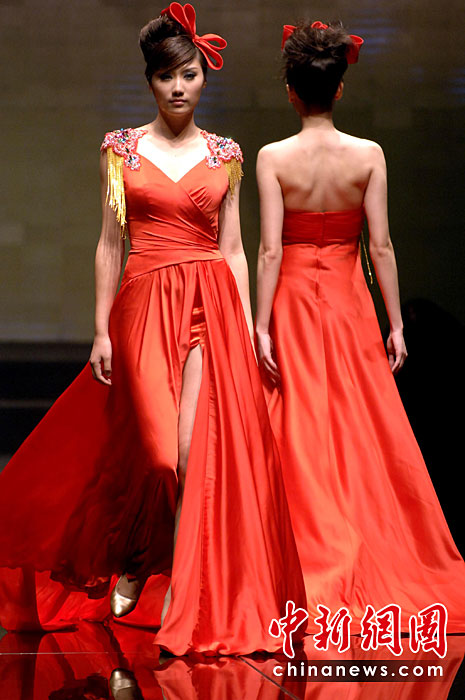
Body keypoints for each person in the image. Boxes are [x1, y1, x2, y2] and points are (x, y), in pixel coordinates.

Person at [0, 3, 306, 656]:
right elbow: (110, 242)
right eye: (167, 75)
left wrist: (248, 321)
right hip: (141, 303)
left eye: (189, 75)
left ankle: (180, 589)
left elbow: (233, 248)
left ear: (203, 79)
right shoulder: (120, 150)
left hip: (209, 303)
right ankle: (139, 555)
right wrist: (100, 330)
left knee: (192, 458)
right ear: (149, 81)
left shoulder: (226, 154)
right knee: (157, 454)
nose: (178, 86)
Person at [255, 20, 465, 632]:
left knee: (301, 423)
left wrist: (260, 324)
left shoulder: (273, 158)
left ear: (291, 92)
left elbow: (270, 250)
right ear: (339, 88)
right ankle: (365, 544)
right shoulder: (369, 155)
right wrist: (396, 323)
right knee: (359, 425)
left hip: (294, 298)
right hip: (349, 301)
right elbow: (382, 247)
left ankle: (301, 556)